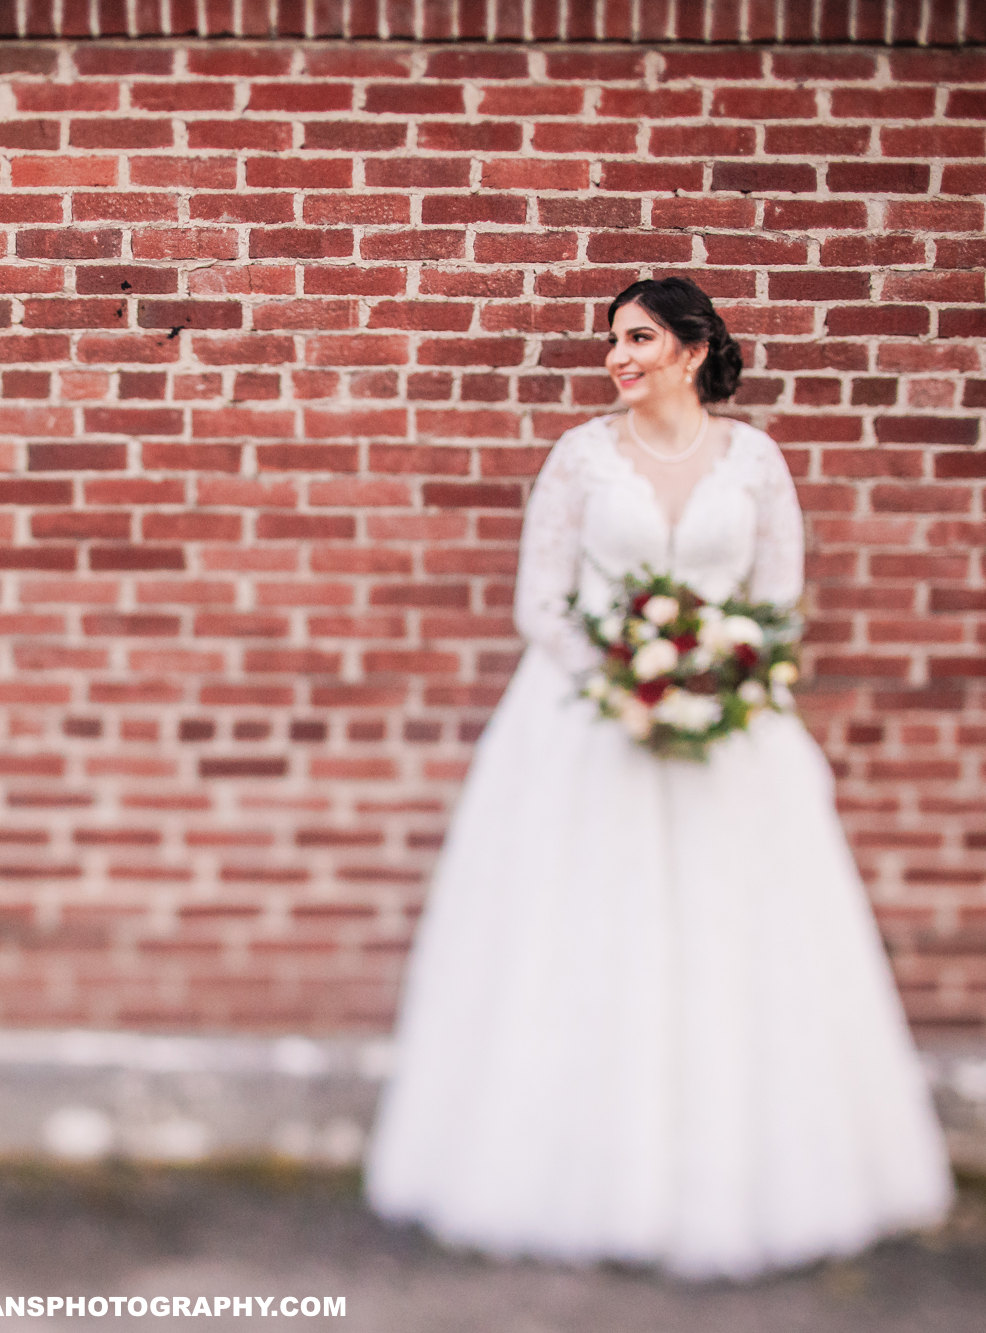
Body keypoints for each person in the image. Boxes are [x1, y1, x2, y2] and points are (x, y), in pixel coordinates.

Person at [364, 278, 953, 1279]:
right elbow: (539, 606)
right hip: (583, 727)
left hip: (728, 730)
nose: (616, 357)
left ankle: (736, 1177)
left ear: (691, 349)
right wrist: (629, 682)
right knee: (581, 936)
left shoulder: (755, 462)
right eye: (610, 341)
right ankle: (564, 1170)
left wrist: (714, 677)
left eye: (636, 337)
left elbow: (775, 605)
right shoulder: (580, 458)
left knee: (736, 940)